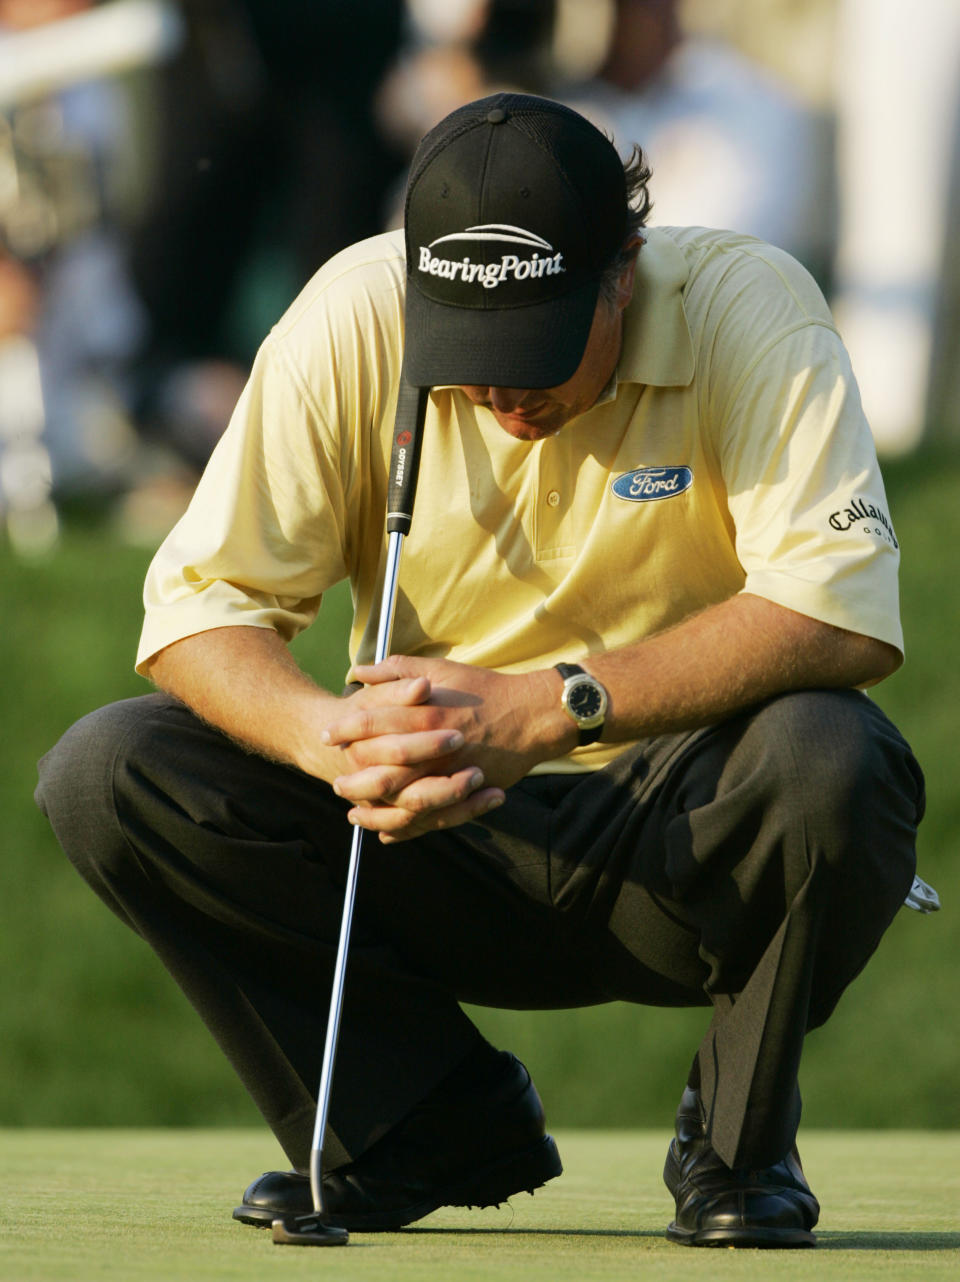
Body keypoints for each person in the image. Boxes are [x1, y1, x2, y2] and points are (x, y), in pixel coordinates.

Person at [36, 93, 925, 1249]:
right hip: (417, 835)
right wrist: (327, 738)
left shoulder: (749, 306)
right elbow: (195, 608)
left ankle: (737, 1145)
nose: (506, 395)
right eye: (473, 352)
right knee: (107, 769)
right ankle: (421, 1122)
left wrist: (553, 704)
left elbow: (840, 611)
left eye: (540, 348)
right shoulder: (351, 313)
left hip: (685, 831)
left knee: (832, 758)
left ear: (625, 268)